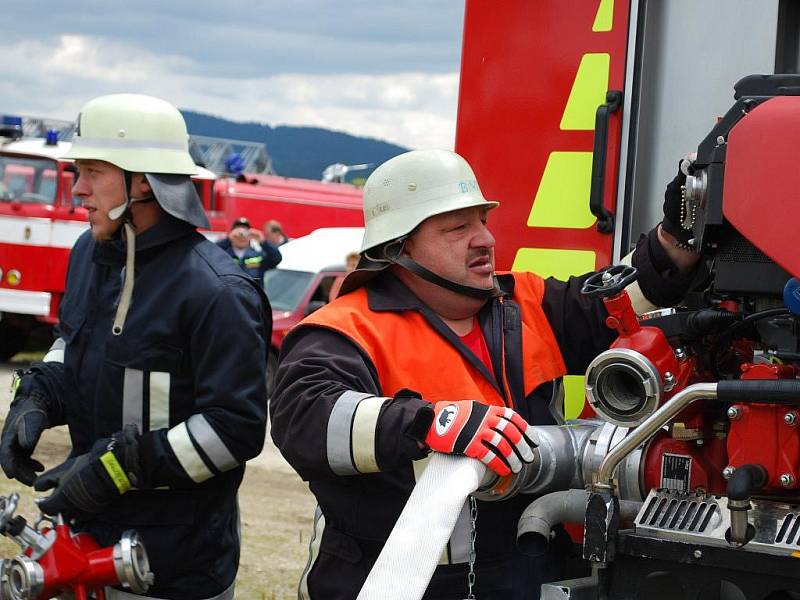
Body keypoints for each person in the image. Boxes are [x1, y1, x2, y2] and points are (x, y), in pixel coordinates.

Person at [269, 149, 700, 600]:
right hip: (396, 579)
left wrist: (675, 240)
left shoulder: (528, 303)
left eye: (482, 222)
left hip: (526, 567)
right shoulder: (345, 330)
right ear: (399, 248)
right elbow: (305, 421)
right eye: (458, 228)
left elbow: (615, 305)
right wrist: (429, 423)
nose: (484, 240)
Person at [0, 94, 271, 600]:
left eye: (92, 172)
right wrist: (35, 397)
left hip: (172, 567)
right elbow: (72, 346)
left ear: (143, 181)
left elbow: (233, 431)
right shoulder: (89, 253)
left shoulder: (216, 290)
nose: (77, 189)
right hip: (84, 538)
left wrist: (117, 469)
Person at [217, 217, 282, 281]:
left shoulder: (257, 255)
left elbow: (276, 258)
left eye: (245, 232)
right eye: (238, 232)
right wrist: (228, 240)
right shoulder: (223, 255)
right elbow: (210, 254)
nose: (241, 236)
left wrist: (263, 241)